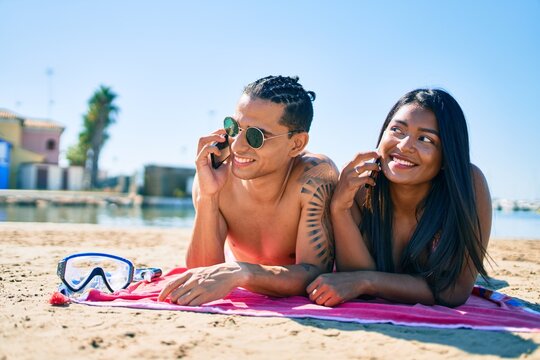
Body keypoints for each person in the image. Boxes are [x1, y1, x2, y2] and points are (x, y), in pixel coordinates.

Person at [158, 76, 338, 305]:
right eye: (234, 128)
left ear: (297, 144)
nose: (237, 145)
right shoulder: (216, 174)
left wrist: (242, 272)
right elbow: (202, 273)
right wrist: (208, 197)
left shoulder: (315, 177)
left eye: (256, 136)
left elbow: (314, 274)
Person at [307, 89, 491, 308]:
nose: (404, 146)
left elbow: (453, 291)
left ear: (447, 155)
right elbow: (352, 276)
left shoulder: (468, 184)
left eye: (425, 139)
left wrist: (368, 281)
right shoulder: (361, 186)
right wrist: (339, 209)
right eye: (397, 130)